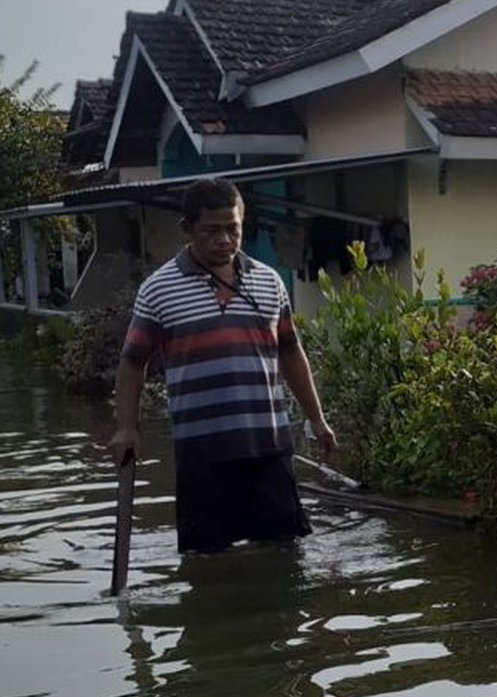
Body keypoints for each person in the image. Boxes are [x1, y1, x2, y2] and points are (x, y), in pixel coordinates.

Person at [109, 178, 338, 554]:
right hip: (203, 452)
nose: (224, 240)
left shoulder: (269, 282)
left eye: (233, 229)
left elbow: (291, 351)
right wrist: (126, 428)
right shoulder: (159, 290)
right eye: (211, 231)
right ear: (187, 229)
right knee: (206, 561)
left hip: (267, 447)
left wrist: (317, 418)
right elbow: (133, 362)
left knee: (283, 555)